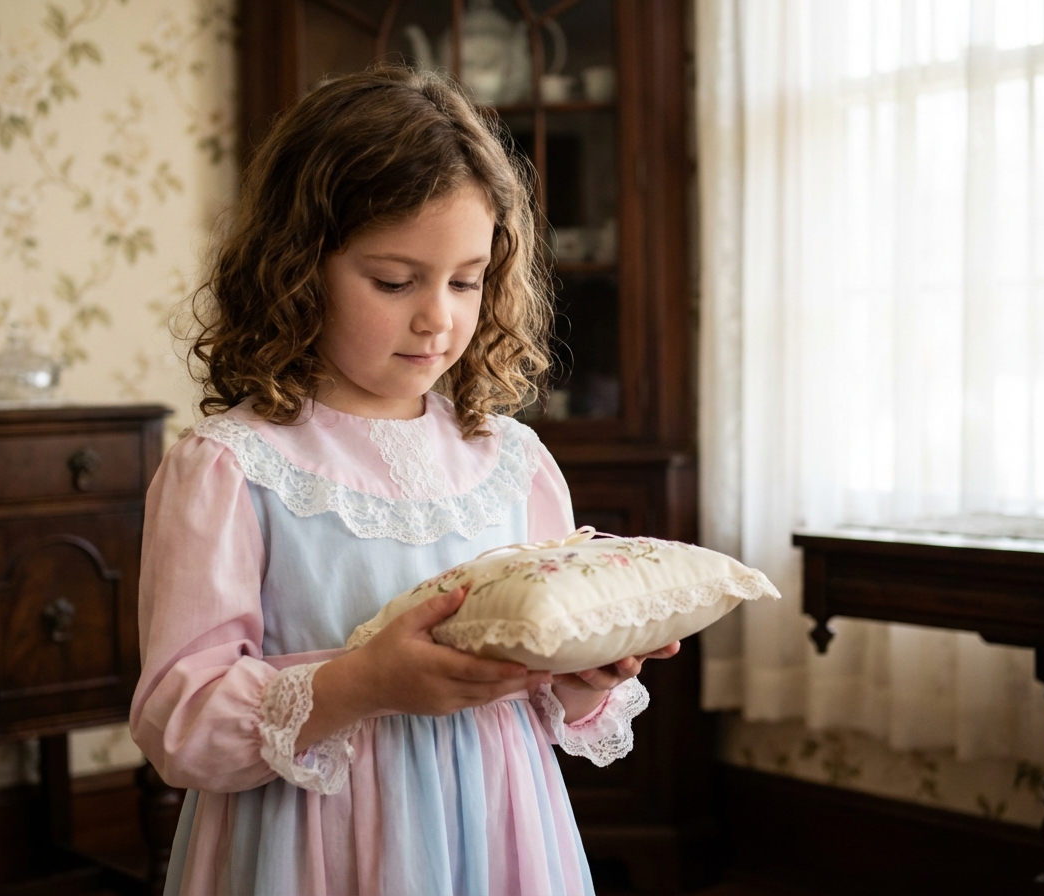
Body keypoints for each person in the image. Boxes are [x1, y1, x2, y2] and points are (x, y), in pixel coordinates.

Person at [129, 66, 679, 896]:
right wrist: (364, 683)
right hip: (312, 848)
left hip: (499, 838)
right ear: (298, 266)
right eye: (394, 282)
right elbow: (182, 723)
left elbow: (544, 692)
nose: (439, 317)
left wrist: (581, 674)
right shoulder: (232, 468)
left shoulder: (513, 463)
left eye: (467, 280)